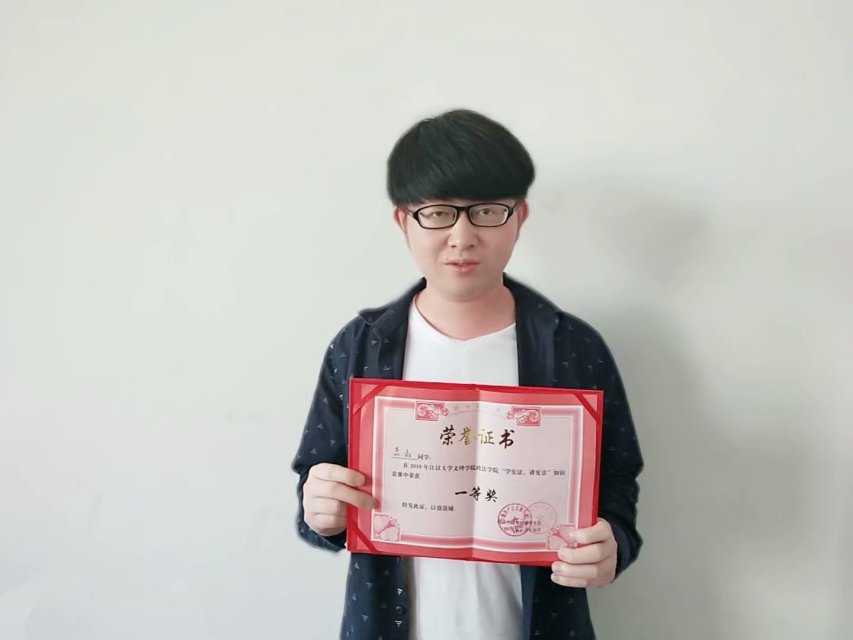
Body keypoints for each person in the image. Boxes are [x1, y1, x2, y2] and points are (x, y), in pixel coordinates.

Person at [292, 109, 643, 640]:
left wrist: (612, 542)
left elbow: (616, 479)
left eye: (486, 212)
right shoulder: (361, 347)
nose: (462, 236)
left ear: (519, 216)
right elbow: (317, 486)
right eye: (437, 213)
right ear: (403, 221)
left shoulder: (572, 348)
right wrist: (320, 510)